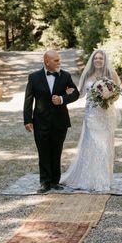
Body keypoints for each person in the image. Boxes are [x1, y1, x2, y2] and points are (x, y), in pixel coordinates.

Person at [60, 49, 121, 192]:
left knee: (104, 147)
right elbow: (80, 93)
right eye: (95, 58)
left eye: (101, 58)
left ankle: (103, 179)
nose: (98, 60)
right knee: (91, 145)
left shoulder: (111, 74)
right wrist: (65, 95)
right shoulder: (87, 74)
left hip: (105, 115)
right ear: (92, 61)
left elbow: (117, 93)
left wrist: (108, 98)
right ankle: (88, 178)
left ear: (105, 60)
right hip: (91, 115)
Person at [23, 50, 79, 193]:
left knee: (56, 151)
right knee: (43, 152)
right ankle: (44, 182)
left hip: (60, 122)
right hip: (40, 122)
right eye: (56, 61)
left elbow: (75, 93)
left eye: (59, 60)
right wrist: (27, 120)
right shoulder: (34, 77)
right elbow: (28, 100)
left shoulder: (65, 76)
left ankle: (55, 182)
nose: (59, 63)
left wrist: (62, 99)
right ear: (46, 61)